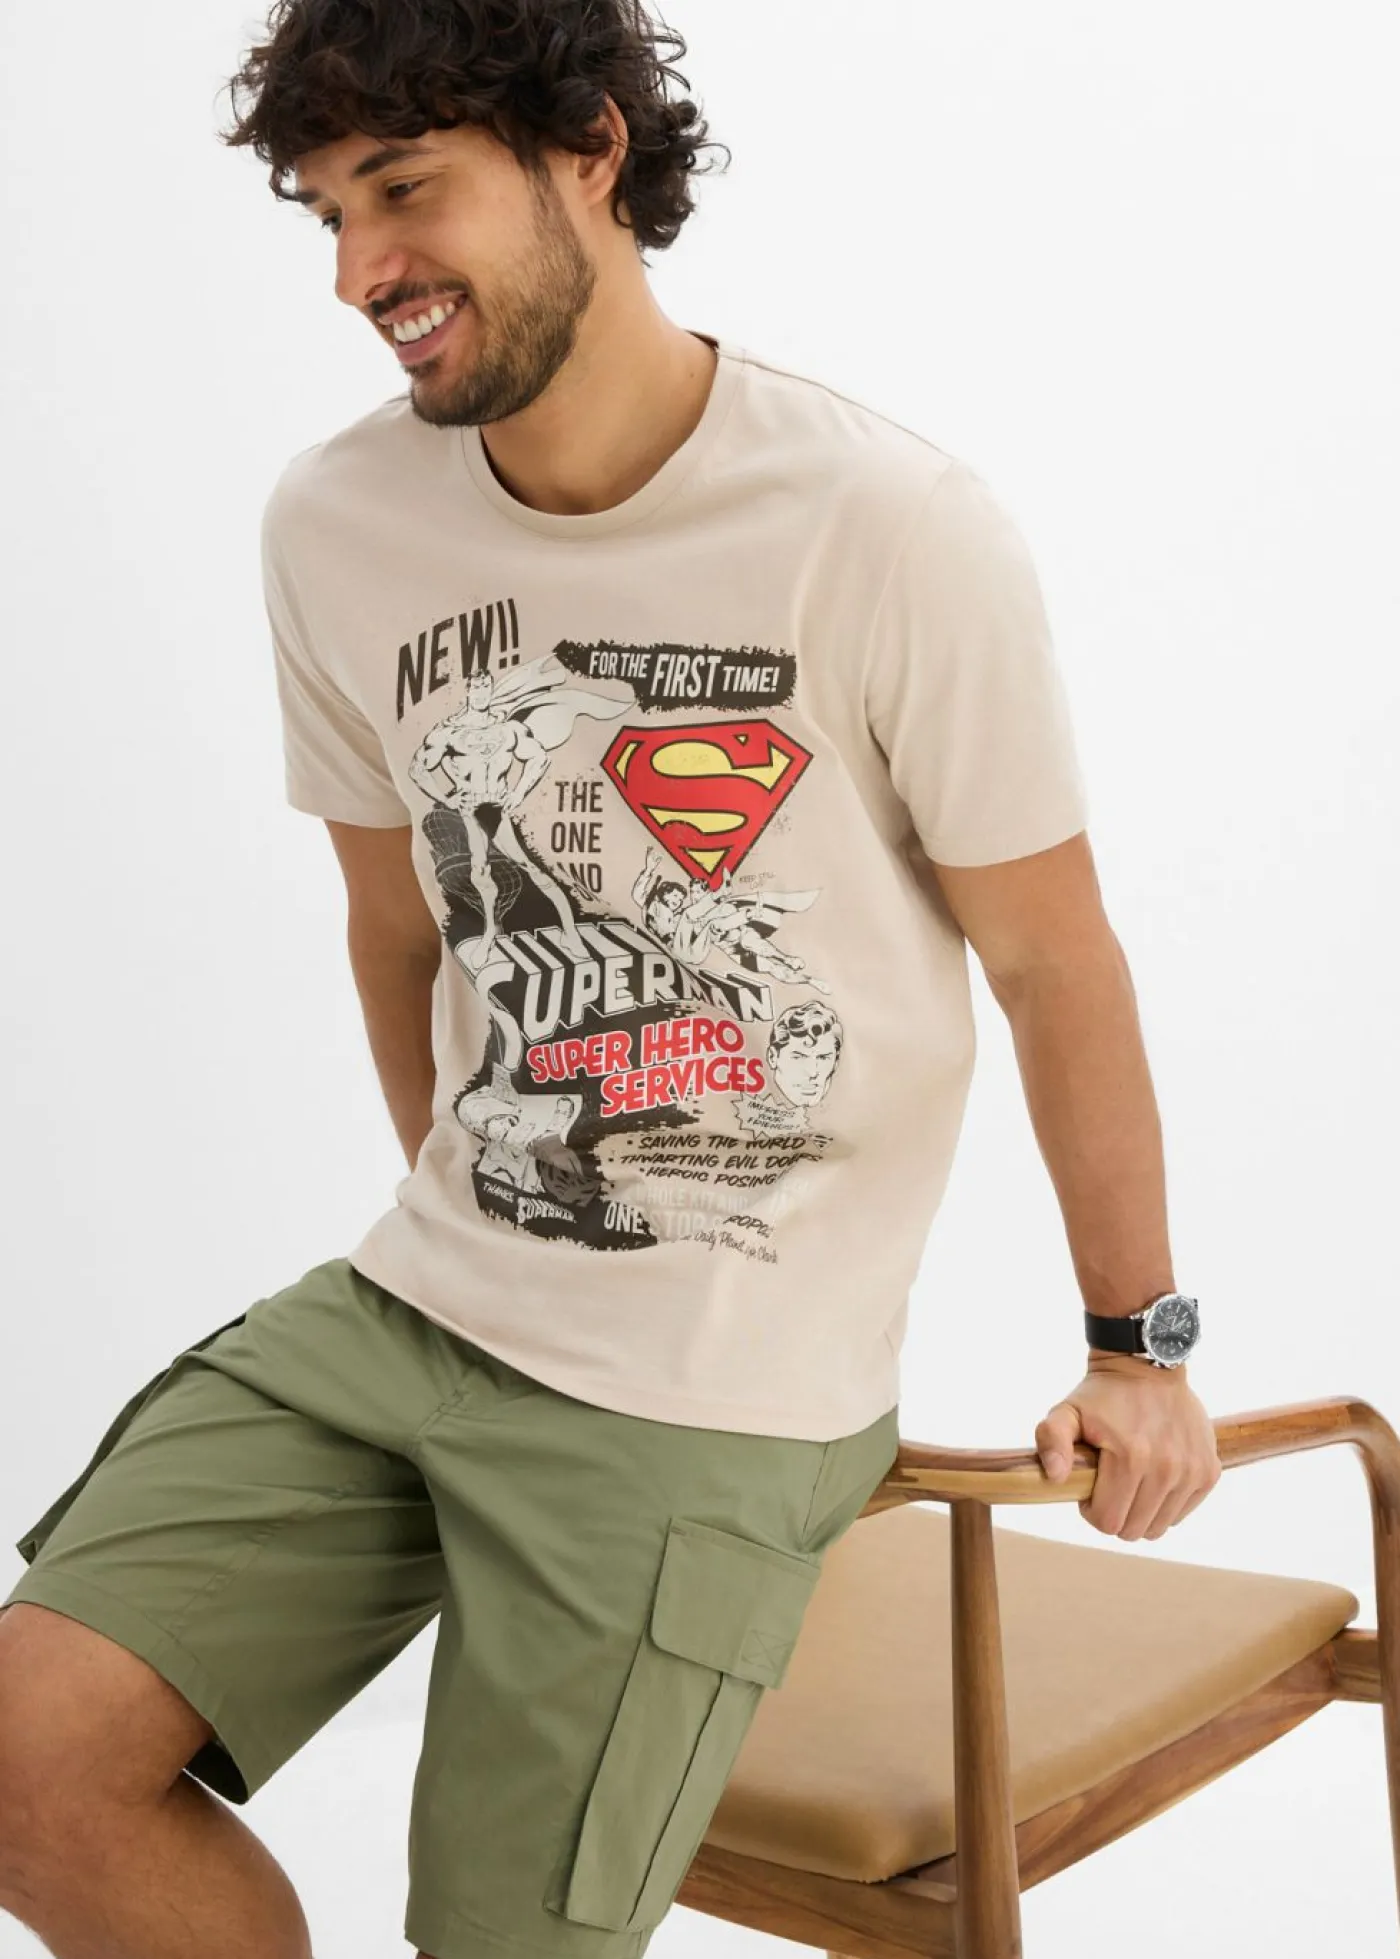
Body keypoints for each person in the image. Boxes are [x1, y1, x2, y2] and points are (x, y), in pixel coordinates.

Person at [0, 3, 1222, 1957]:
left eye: (405, 190)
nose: (358, 270)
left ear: (589, 149)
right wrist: (495, 1197)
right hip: (414, 1309)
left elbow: (1053, 959)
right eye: (326, 213)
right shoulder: (337, 524)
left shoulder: (883, 526)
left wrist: (1134, 1347)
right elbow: (398, 927)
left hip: (711, 1387)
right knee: (28, 1756)